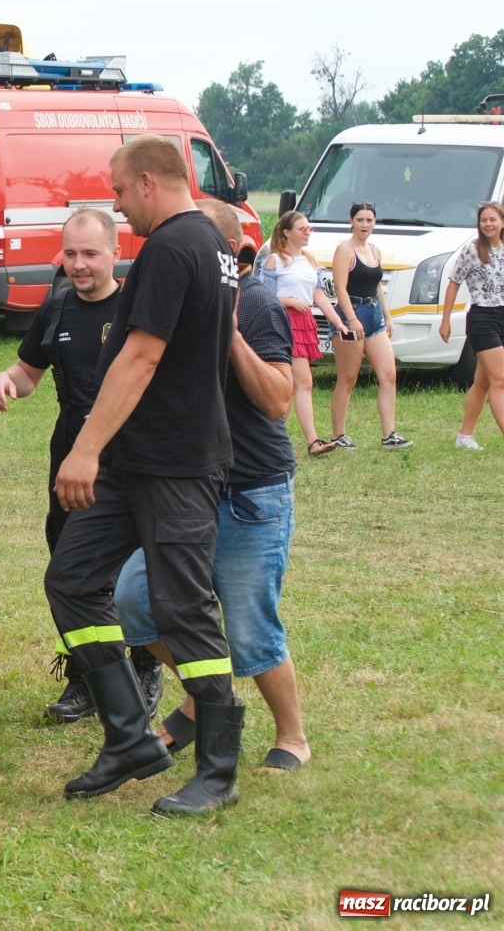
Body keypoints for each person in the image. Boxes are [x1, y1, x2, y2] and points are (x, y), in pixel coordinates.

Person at [43, 134, 241, 816]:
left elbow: (142, 356)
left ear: (151, 182)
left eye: (121, 192)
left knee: (184, 608)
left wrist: (85, 448)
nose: (120, 208)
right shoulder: (209, 243)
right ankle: (129, 736)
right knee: (71, 578)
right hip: (138, 459)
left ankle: (218, 767)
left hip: (177, 462)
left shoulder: (176, 245)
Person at [114, 199, 312, 774]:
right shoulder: (172, 303)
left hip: (250, 492)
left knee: (251, 626)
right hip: (185, 486)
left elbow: (278, 400)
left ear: (227, 257)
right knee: (134, 600)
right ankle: (207, 698)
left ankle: (293, 735)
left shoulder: (257, 307)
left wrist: (227, 333)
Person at [0, 209, 163, 724]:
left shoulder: (139, 310)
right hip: (69, 456)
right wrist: (6, 382)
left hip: (127, 457)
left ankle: (145, 663)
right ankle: (87, 674)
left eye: (90, 254)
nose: (79, 265)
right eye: (71, 254)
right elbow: (28, 371)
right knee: (68, 567)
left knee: (130, 572)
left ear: (115, 254)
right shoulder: (57, 307)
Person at [261, 211, 353, 457]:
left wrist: (341, 324)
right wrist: (289, 301)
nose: (307, 233)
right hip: (281, 321)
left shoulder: (310, 261)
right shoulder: (274, 261)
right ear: (287, 233)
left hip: (303, 323)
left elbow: (319, 297)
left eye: (309, 229)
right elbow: (262, 297)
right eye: (302, 229)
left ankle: (274, 441)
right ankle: (306, 441)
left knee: (295, 384)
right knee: (299, 383)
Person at [328, 202, 411, 449]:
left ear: (375, 222)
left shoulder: (374, 250)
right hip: (350, 313)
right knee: (348, 378)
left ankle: (389, 434)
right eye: (360, 220)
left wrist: (386, 315)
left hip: (373, 313)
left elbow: (377, 285)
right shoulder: (345, 250)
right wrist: (352, 319)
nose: (365, 225)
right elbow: (340, 287)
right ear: (351, 222)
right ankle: (338, 435)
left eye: (369, 220)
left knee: (388, 375)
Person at [441, 201, 504, 448]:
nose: (488, 224)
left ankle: (464, 436)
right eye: (484, 220)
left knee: (484, 381)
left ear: (502, 222)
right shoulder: (472, 250)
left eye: (493, 220)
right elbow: (454, 283)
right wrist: (445, 320)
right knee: (500, 380)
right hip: (482, 319)